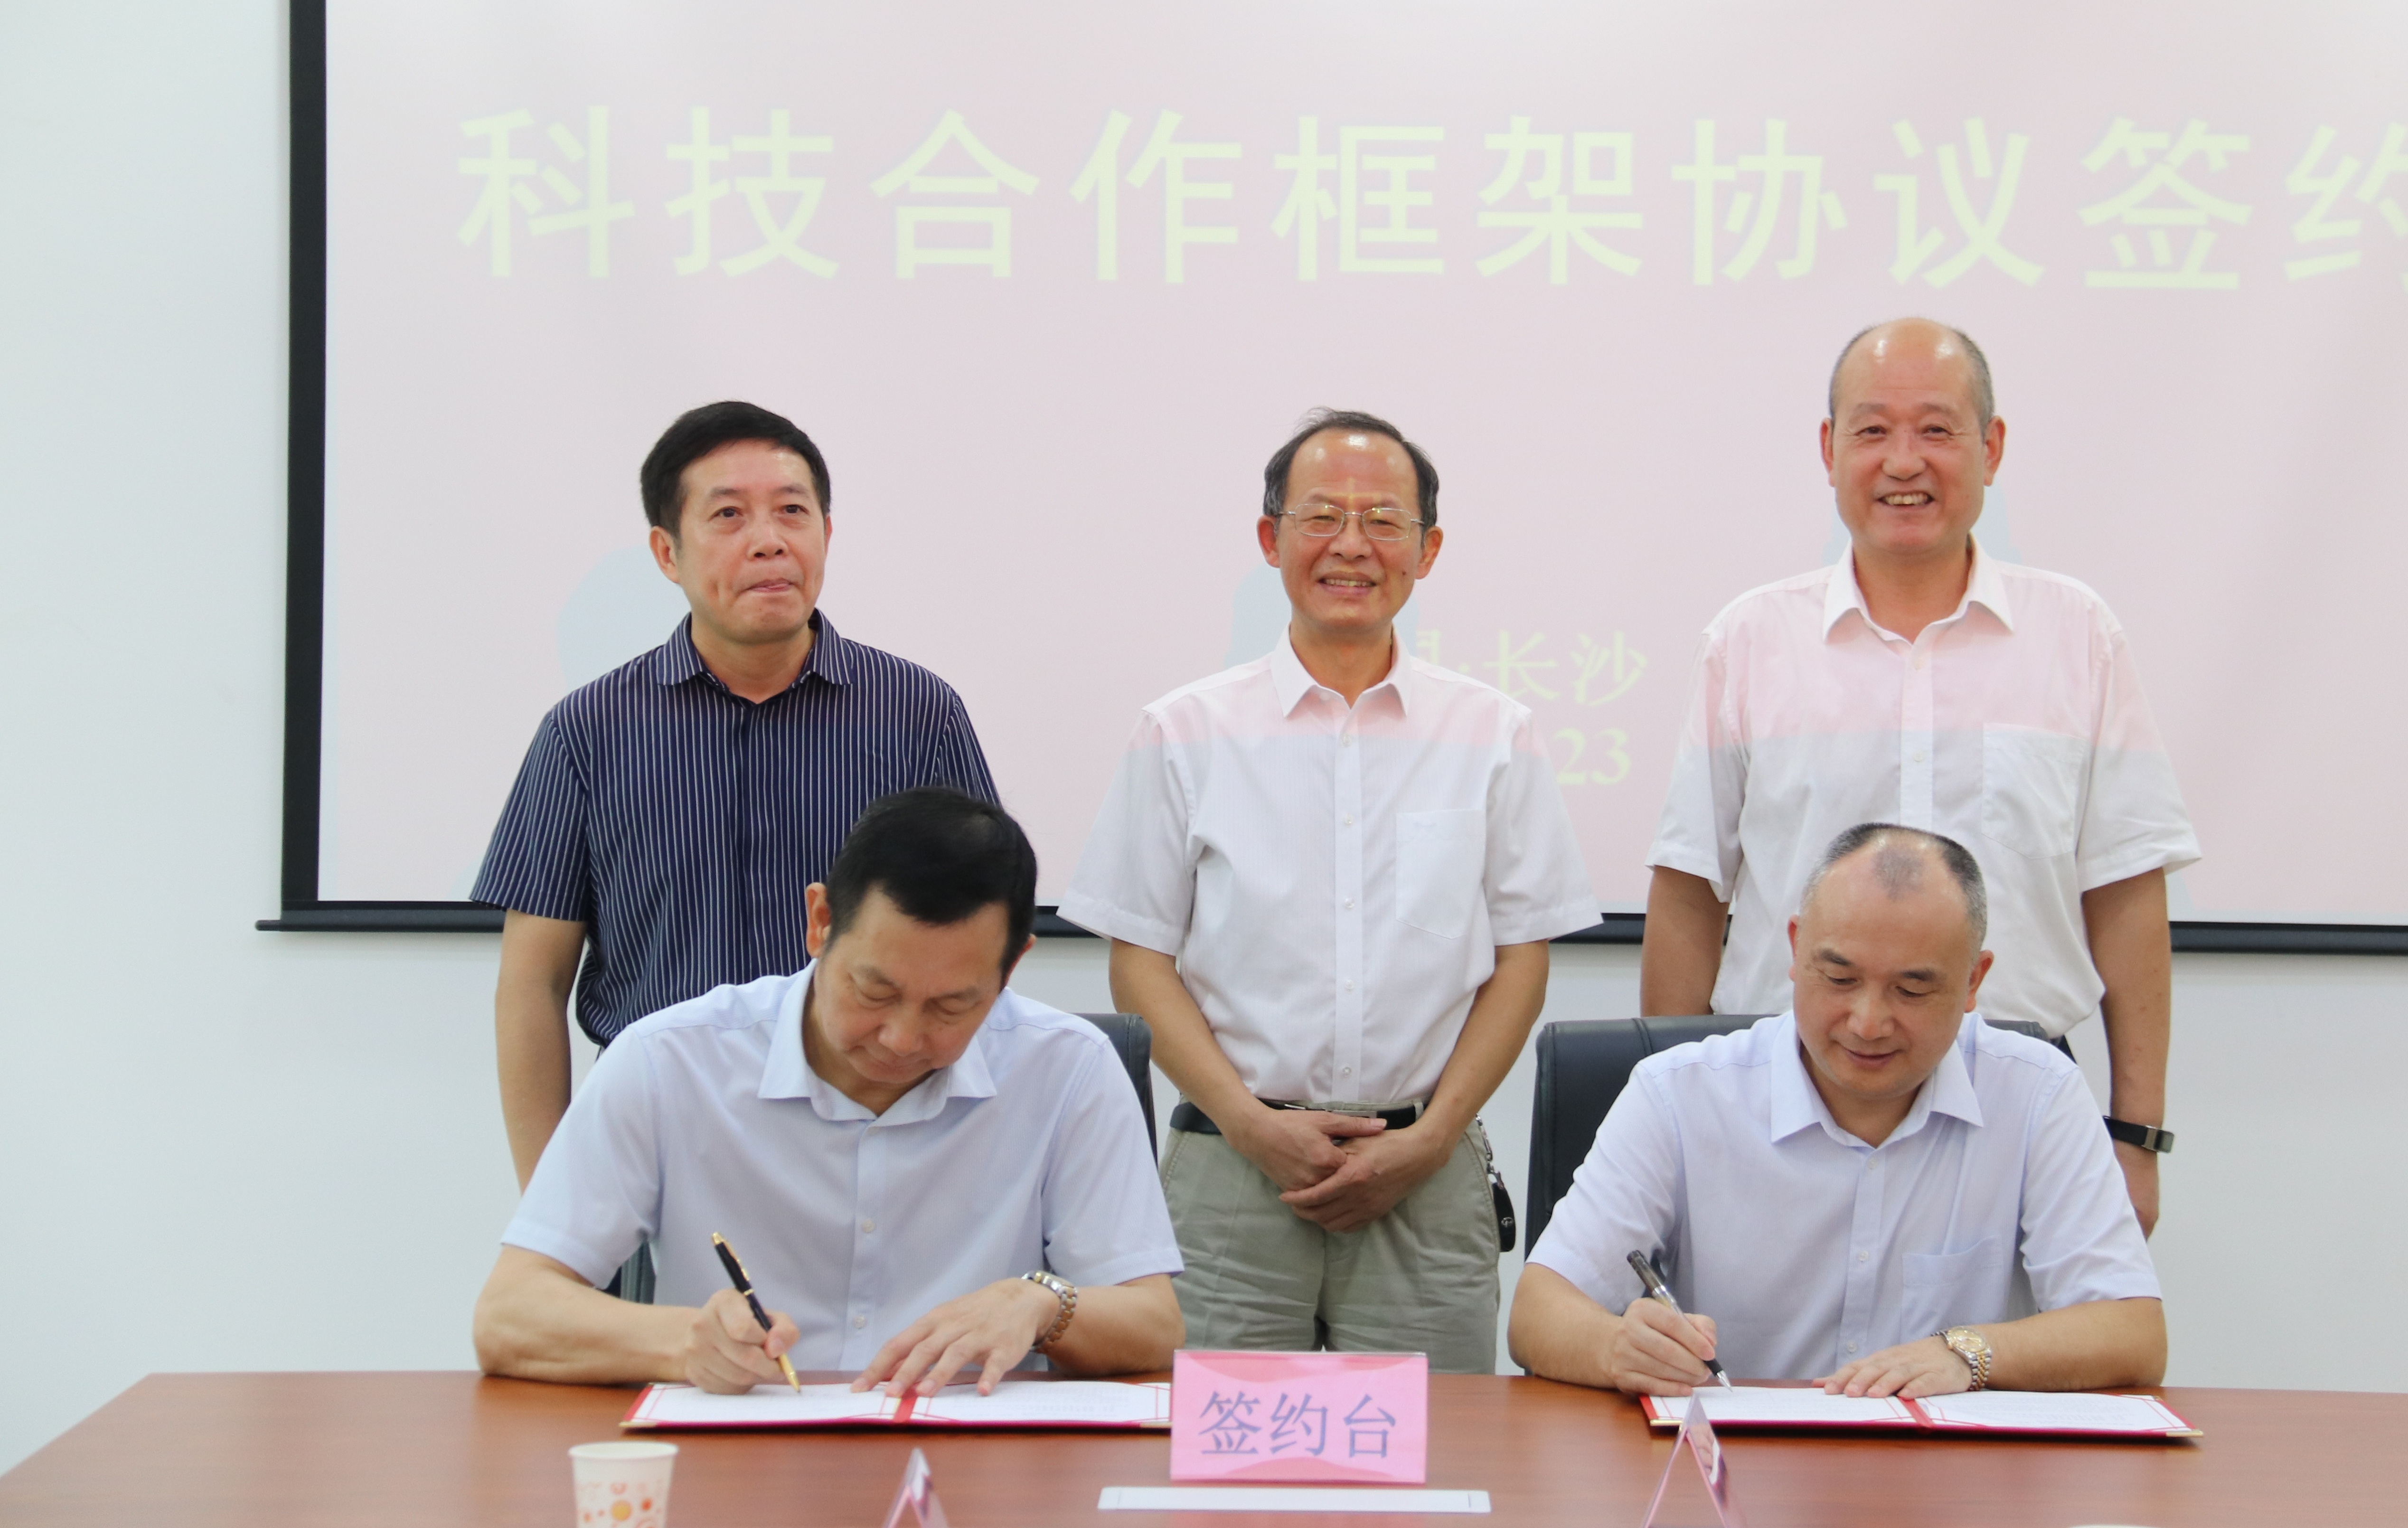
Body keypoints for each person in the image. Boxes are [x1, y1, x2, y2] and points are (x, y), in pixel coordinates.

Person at [1059, 409, 1599, 1369]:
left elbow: (1521, 959)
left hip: (1424, 1172)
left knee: (1437, 1451)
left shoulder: (1493, 733)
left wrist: (1431, 1139)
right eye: (1322, 516)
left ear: (1428, 551)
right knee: (1216, 1449)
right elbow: (1139, 961)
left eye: (1384, 521)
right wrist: (1248, 1123)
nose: (1352, 545)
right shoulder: (1182, 731)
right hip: (1230, 1173)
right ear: (1271, 539)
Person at [1639, 320, 2197, 1231]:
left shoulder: (2078, 636)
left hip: (2021, 1095)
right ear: (1829, 449)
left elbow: (2127, 889)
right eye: (1873, 431)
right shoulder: (1750, 641)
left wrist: (2135, 1134)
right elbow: (1690, 889)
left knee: (2017, 1328)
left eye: (1937, 429)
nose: (1905, 461)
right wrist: (1671, 1123)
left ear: (1992, 446)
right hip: (1779, 1097)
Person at [472, 788, 1184, 1394]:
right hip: (736, 1471)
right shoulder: (670, 1061)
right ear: (820, 922)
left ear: (1013, 965)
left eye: (952, 1006)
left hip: (967, 1469)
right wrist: (684, 1342)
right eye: (875, 990)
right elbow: (509, 1314)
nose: (902, 1038)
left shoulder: (1068, 1069)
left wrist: (1041, 1305)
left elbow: (1154, 1325)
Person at [473, 400, 997, 1193]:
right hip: (655, 1142)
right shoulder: (587, 731)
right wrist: (555, 1204)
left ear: (827, 532)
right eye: (728, 515)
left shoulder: (919, 714)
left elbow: (981, 946)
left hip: (879, 1137)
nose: (769, 540)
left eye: (792, 511)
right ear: (667, 552)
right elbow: (532, 985)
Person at [1512, 824, 2164, 1397]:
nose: (1868, 1022)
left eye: (1912, 989)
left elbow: (2133, 1332)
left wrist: (1965, 1352)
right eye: (1841, 978)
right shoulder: (1679, 1093)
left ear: (1973, 981)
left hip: (1947, 1475)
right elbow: (1538, 1311)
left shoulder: (2037, 1092)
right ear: (1796, 950)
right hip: (1733, 1471)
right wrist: (1617, 1348)